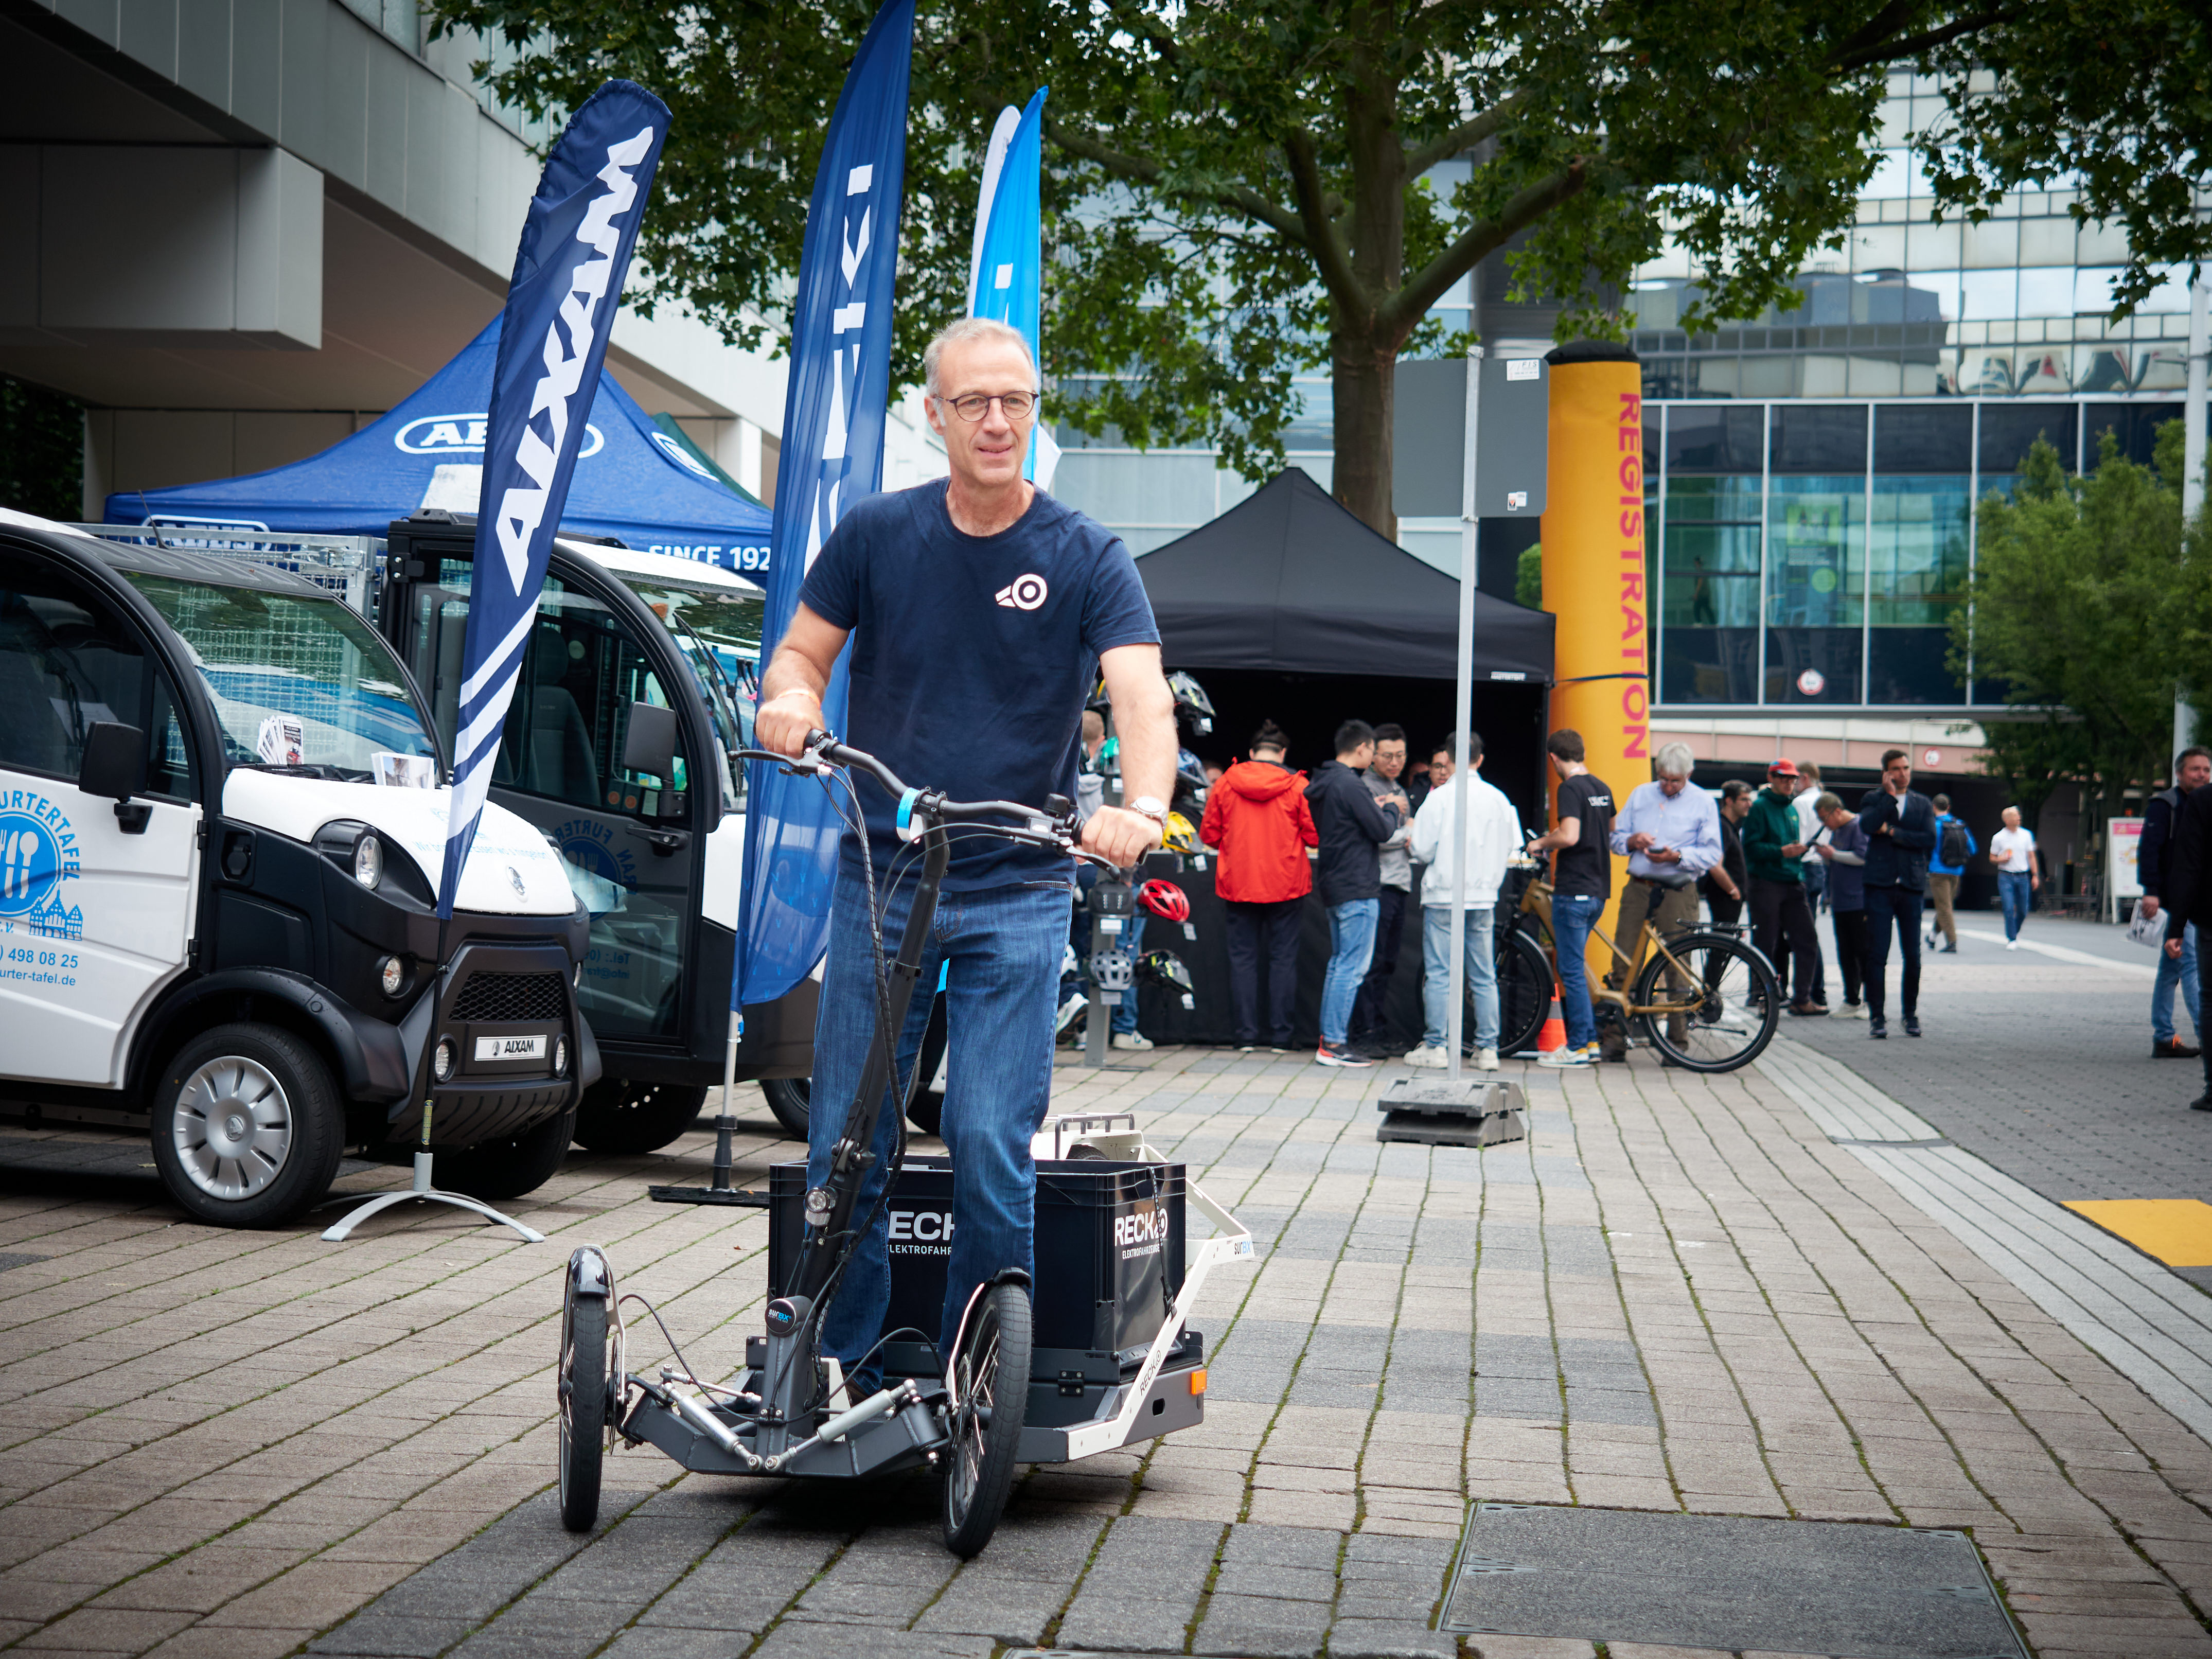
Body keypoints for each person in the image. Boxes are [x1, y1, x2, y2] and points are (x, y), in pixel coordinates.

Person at [754, 315, 1173, 1392]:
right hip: (883, 872)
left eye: (1017, 401)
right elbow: (800, 652)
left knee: (990, 1138)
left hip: (1020, 881)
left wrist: (1143, 803)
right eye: (975, 402)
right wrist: (790, 702)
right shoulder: (877, 535)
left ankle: (983, 1370)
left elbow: (1139, 691)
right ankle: (839, 1362)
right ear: (932, 415)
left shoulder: (1085, 555)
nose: (999, 421)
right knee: (849, 1139)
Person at [1404, 732, 1524, 1071]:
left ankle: (1436, 1045)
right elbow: (1513, 847)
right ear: (1480, 759)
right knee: (1483, 975)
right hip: (1483, 896)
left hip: (1443, 894)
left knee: (1440, 973)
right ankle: (1487, 1049)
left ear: (1449, 758)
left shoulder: (1439, 799)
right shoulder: (1498, 798)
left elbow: (1422, 849)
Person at [1200, 720, 1318, 1053]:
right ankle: (1281, 1038)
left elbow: (1208, 835)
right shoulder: (1298, 786)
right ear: (1282, 754)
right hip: (1286, 884)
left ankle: (1245, 1037)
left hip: (1239, 883)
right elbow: (1313, 835)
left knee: (1243, 961)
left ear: (1251, 754)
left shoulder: (1225, 783)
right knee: (1283, 961)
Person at [1605, 742, 1721, 1051]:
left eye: (1676, 781)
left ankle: (1677, 1043)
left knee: (1678, 966)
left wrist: (1677, 856)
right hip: (1639, 885)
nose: (1668, 786)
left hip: (1678, 888)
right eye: (1664, 779)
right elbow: (1614, 840)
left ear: (1689, 775)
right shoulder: (1642, 794)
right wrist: (1632, 840)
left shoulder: (1703, 802)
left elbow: (1712, 853)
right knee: (1624, 963)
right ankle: (1615, 1041)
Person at [1305, 720, 1404, 1068]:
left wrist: (1372, 804)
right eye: (1374, 751)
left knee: (1340, 965)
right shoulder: (1351, 784)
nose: (1376, 757)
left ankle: (1330, 1040)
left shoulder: (1327, 783)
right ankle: (1333, 1043)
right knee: (1351, 966)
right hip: (1358, 886)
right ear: (1362, 748)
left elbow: (1347, 823)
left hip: (1334, 883)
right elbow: (1381, 830)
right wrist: (1392, 807)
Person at [1525, 729, 1613, 1067]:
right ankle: (1589, 1042)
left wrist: (1539, 844)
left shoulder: (1570, 788)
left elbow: (1570, 835)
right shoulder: (1601, 788)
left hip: (1573, 890)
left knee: (1571, 971)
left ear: (1553, 758)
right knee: (1577, 967)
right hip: (1597, 892)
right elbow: (1611, 829)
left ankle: (1576, 1047)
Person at [1857, 748, 1939, 1038]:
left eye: (1906, 768)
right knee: (1878, 953)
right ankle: (1877, 1017)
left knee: (1913, 955)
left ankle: (1910, 1014)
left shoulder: (1922, 803)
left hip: (1911, 886)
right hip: (1879, 885)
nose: (1903, 773)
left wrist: (1892, 832)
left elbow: (1929, 839)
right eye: (1897, 769)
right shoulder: (1873, 799)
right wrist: (1889, 796)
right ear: (1886, 772)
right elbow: (1867, 826)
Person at [1351, 723, 1416, 1055]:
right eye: (1388, 756)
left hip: (1398, 884)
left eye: (1400, 755)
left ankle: (1375, 1026)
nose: (1395, 762)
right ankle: (1366, 1031)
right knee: (1373, 962)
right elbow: (1379, 835)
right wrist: (1408, 834)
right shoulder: (1366, 788)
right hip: (1380, 884)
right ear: (1373, 755)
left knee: (1387, 962)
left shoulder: (1397, 788)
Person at [2141, 748, 2210, 1060]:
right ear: (2179, 773)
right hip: (2174, 902)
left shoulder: (2204, 803)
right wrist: (2151, 890)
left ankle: (2164, 1036)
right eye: (2195, 769)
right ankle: (2205, 1035)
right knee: (2193, 968)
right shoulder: (2165, 806)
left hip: (2192, 900)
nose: (2202, 775)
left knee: (2172, 970)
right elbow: (2149, 849)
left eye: (2207, 770)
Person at [1743, 759, 1823, 1017]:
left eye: (1793, 779)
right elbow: (1751, 848)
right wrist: (1782, 852)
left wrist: (1796, 856)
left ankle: (1802, 998)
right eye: (1784, 778)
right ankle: (1763, 999)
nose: (1790, 782)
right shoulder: (1759, 807)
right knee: (1767, 943)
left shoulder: (1792, 808)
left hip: (1792, 881)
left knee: (1807, 939)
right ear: (1772, 778)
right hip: (1766, 883)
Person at [2160, 780, 2212, 1109]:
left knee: (2211, 998)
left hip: (2210, 915)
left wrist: (2176, 926)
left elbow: (2188, 864)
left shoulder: (2203, 801)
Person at [1813, 793, 1870, 1018]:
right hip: (1841, 901)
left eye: (1824, 818)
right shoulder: (1837, 830)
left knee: (1863, 952)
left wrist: (1834, 854)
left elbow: (1863, 857)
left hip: (1859, 900)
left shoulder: (1858, 826)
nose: (1824, 824)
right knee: (1846, 953)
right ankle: (1851, 1000)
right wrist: (1830, 855)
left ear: (1836, 811)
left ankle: (1870, 1001)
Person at [1926, 793, 1974, 953]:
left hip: (1938, 872)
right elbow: (1973, 849)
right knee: (1945, 906)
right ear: (1949, 807)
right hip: (1957, 871)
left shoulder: (1934, 825)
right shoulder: (1960, 825)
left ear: (1934, 807)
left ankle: (1952, 942)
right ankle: (1932, 937)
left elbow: (1926, 847)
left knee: (1944, 907)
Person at [1703, 781, 1751, 932]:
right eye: (1744, 800)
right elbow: (1715, 865)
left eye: (1750, 800)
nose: (1749, 804)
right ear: (1729, 801)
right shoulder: (1723, 827)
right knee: (1721, 947)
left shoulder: (1730, 827)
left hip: (1729, 898)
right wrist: (1733, 891)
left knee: (1724, 946)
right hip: (1724, 898)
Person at [1989, 806, 2038, 947]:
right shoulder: (1999, 837)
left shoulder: (2027, 835)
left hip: (2023, 875)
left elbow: (2031, 856)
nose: (2019, 818)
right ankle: (2012, 938)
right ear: (2006, 820)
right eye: (2016, 816)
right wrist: (2000, 860)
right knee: (2008, 907)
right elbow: (1992, 857)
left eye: (2019, 816)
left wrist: (2035, 875)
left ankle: (2014, 932)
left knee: (2023, 909)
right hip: (2006, 876)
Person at [1795, 760, 1828, 917]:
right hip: (1821, 866)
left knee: (1799, 922)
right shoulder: (1826, 800)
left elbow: (1799, 840)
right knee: (1810, 921)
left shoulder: (1800, 802)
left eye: (1795, 779)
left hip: (1804, 866)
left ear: (1804, 778)